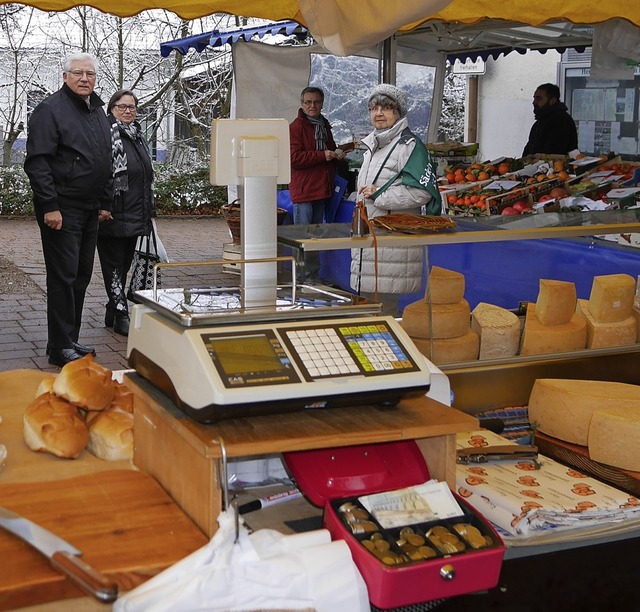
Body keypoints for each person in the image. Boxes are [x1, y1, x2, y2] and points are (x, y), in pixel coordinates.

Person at [24, 52, 113, 367]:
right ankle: (61, 346)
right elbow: (38, 163)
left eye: (90, 73)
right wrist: (50, 205)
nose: (85, 78)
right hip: (63, 209)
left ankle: (67, 339)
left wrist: (105, 202)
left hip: (90, 209)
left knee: (80, 275)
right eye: (78, 73)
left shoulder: (96, 111)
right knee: (63, 276)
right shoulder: (51, 111)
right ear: (65, 76)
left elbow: (105, 158)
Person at [349, 84, 442, 315]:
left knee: (385, 309)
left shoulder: (409, 146)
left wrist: (380, 196)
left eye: (386, 108)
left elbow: (423, 192)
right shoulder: (373, 145)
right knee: (366, 307)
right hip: (370, 240)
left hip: (391, 245)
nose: (378, 113)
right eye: (374, 108)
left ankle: (384, 351)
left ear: (399, 112)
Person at [97, 90, 154, 337]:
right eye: (122, 106)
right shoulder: (106, 135)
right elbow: (99, 173)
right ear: (111, 109)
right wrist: (103, 204)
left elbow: (144, 176)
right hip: (111, 212)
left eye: (132, 107)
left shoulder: (136, 136)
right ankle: (121, 313)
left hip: (134, 212)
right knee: (112, 265)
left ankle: (112, 310)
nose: (128, 111)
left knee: (124, 264)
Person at [289, 86, 345, 281]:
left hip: (321, 188)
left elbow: (328, 153)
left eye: (316, 102)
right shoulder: (295, 127)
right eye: (308, 102)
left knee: (314, 236)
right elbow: (294, 158)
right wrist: (324, 155)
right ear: (302, 104)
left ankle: (313, 275)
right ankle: (302, 278)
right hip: (304, 191)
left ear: (322, 103)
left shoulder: (324, 125)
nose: (312, 105)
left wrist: (337, 154)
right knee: (303, 237)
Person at [522, 83, 578, 156]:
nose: (534, 102)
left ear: (552, 101)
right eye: (534, 98)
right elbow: (529, 149)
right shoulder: (539, 123)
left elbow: (553, 153)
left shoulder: (561, 121)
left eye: (539, 98)